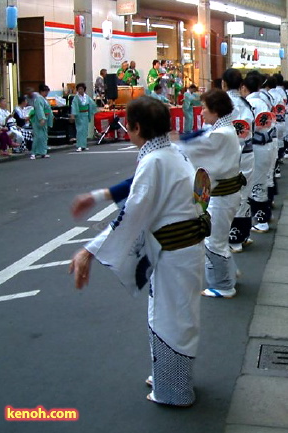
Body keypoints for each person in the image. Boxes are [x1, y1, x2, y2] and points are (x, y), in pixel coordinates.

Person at [69, 96, 209, 406]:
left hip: (175, 251)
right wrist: (96, 196)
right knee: (174, 314)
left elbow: (132, 215)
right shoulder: (170, 153)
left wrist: (88, 251)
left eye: (129, 127)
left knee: (171, 318)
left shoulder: (155, 159)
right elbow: (138, 189)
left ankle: (174, 390)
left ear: (134, 128)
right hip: (183, 248)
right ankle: (168, 376)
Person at [177, 89, 242, 299]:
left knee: (214, 240)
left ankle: (223, 285)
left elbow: (192, 148)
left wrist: (175, 142)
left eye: (204, 108)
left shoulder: (219, 134)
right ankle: (229, 274)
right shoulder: (223, 129)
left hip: (222, 196)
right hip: (225, 195)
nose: (202, 112)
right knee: (219, 238)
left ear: (215, 110)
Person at [223, 68, 256, 253]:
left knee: (228, 195)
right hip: (247, 153)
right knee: (244, 193)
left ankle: (233, 238)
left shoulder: (222, 103)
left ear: (223, 84)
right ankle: (243, 235)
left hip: (228, 155)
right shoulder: (246, 103)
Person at [241, 72, 274, 233]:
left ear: (244, 87)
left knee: (256, 185)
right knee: (262, 182)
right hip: (267, 144)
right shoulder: (264, 99)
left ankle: (261, 220)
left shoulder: (250, 103)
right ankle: (262, 217)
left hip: (257, 146)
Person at [70, 82, 97, 152]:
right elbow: (74, 106)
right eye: (79, 89)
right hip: (79, 115)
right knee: (79, 130)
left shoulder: (87, 97)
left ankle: (84, 145)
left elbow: (92, 104)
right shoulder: (76, 98)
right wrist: (73, 114)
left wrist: (94, 110)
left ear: (84, 90)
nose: (80, 90)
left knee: (85, 131)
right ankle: (79, 145)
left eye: (82, 89)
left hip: (85, 114)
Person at [30, 84, 53, 160]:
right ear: (41, 91)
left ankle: (43, 152)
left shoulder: (44, 100)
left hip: (45, 118)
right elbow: (39, 109)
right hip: (38, 120)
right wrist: (41, 118)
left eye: (47, 91)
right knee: (38, 136)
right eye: (45, 91)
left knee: (44, 136)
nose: (46, 93)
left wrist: (51, 117)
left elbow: (49, 110)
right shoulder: (38, 99)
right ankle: (34, 153)